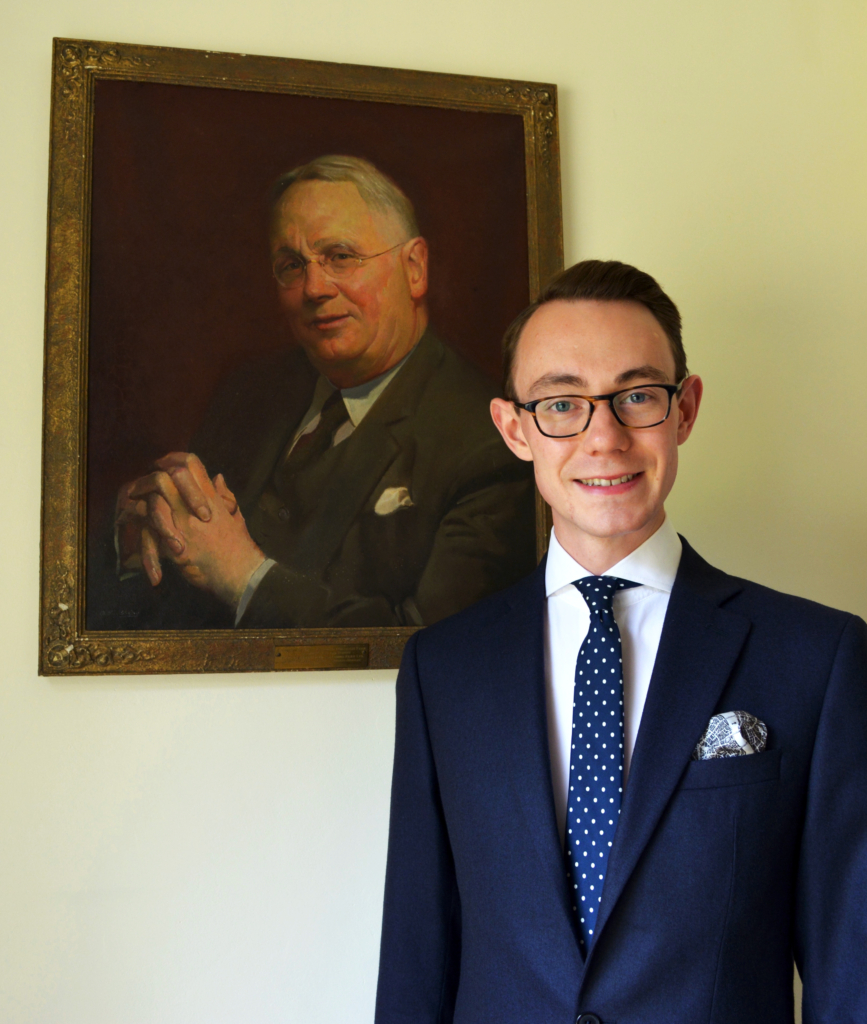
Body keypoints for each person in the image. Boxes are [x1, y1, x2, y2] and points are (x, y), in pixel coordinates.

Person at [374, 259, 867, 1023]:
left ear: (684, 409)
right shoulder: (444, 670)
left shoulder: (816, 657)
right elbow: (416, 954)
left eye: (636, 397)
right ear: (513, 428)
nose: (602, 437)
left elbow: (852, 963)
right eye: (561, 403)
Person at [108, 155, 535, 629]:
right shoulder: (248, 392)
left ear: (413, 267)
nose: (314, 287)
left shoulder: (491, 441)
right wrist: (148, 532)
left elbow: (433, 650)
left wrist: (245, 576)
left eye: (340, 257)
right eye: (292, 265)